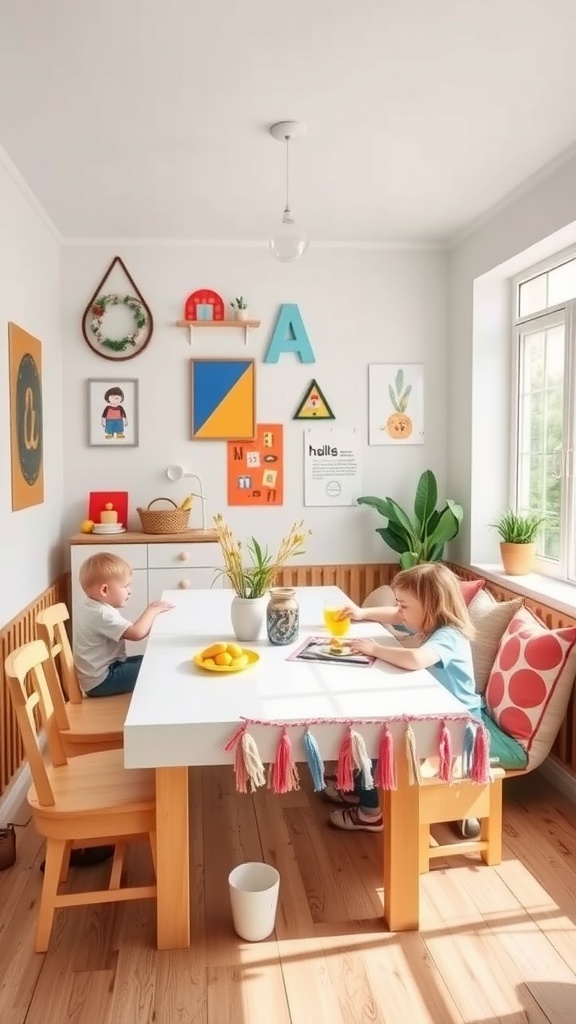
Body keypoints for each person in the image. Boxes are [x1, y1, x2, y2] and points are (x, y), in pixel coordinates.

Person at [325, 563, 481, 834]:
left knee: (373, 734)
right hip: (441, 715)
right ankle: (357, 787)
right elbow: (395, 616)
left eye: (404, 605)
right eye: (399, 604)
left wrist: (375, 648)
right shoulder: (432, 623)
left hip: (459, 727)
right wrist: (362, 613)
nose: (400, 611)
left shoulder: (448, 636)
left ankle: (369, 811)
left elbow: (416, 659)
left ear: (431, 605)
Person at [74, 552, 174, 697]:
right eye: (125, 586)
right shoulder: (102, 614)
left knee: (152, 660)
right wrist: (151, 610)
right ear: (104, 590)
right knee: (156, 667)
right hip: (103, 680)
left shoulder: (89, 605)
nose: (130, 591)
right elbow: (136, 633)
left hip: (97, 676)